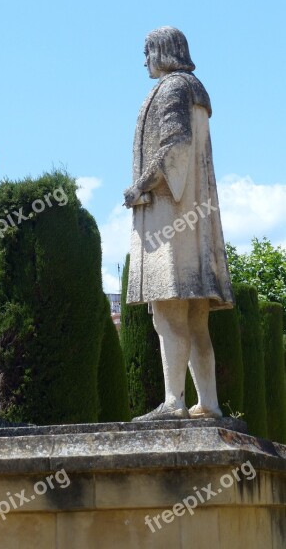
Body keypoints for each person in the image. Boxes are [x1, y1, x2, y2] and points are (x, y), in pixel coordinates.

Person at [124, 26, 234, 421]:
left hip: (172, 219)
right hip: (196, 223)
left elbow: (175, 147)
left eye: (147, 51)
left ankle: (174, 402)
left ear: (163, 52)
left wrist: (140, 186)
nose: (144, 61)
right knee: (196, 320)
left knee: (169, 314)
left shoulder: (172, 88)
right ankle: (209, 403)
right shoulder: (195, 90)